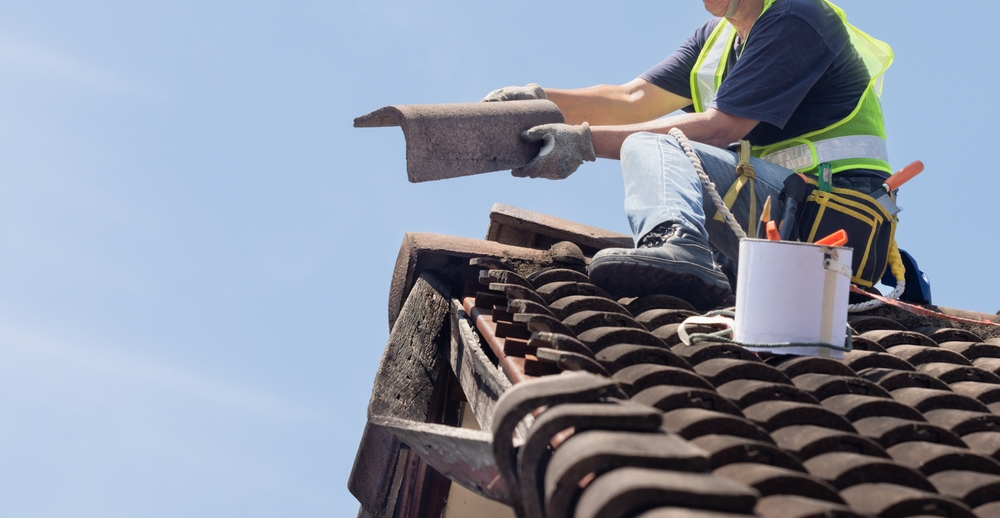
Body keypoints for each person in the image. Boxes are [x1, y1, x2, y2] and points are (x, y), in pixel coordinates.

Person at [483, 0, 894, 310]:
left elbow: (719, 129)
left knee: (655, 145)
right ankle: (692, 259)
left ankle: (679, 244)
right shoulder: (714, 40)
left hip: (827, 224)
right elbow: (632, 99)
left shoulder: (797, 15)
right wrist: (540, 100)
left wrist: (582, 142)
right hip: (774, 215)